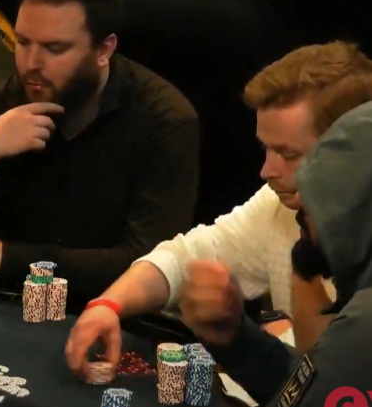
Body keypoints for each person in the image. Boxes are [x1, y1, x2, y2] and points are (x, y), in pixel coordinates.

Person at [65, 42, 372, 377]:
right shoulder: (276, 206)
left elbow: (337, 383)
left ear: (351, 149)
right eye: (267, 149)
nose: (266, 171)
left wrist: (267, 337)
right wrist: (108, 305)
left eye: (289, 154)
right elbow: (181, 258)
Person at [0, 0, 199, 306]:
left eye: (54, 48)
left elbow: (149, 268)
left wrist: (7, 257)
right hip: (16, 310)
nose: (31, 63)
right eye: (22, 42)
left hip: (117, 315)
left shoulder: (165, 121)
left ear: (104, 50)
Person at [186, 101, 372, 407]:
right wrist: (236, 340)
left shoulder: (364, 329)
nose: (303, 208)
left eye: (319, 196)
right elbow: (321, 397)